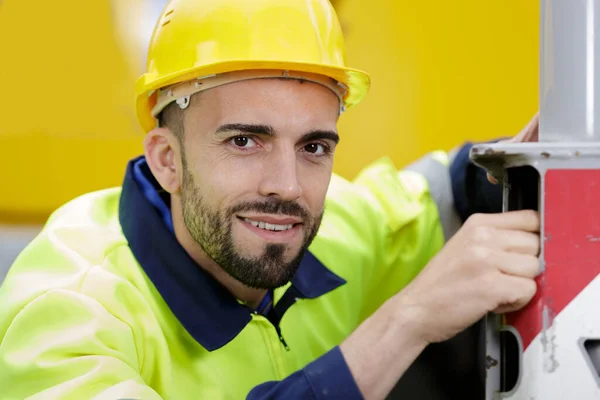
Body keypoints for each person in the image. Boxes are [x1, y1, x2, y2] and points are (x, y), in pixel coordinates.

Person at [0, 0, 541, 399]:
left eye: (313, 146)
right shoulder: (70, 312)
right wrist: (406, 320)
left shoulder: (331, 236)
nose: (286, 186)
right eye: (244, 141)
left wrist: (539, 160)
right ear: (167, 159)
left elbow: (440, 189)